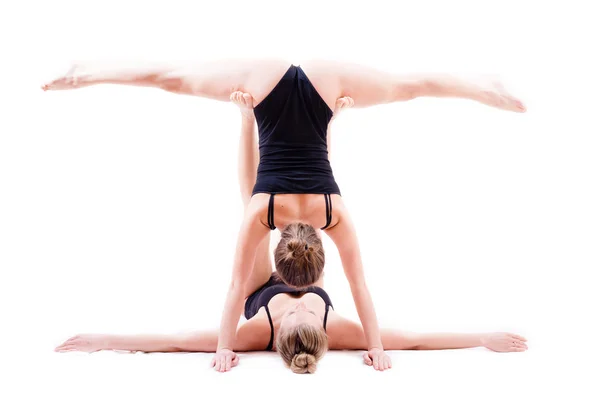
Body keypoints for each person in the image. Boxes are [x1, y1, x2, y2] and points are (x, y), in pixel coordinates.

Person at [43, 58, 526, 372]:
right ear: (321, 324)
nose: (298, 300)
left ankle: (85, 74)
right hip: (306, 93)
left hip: (272, 90)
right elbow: (412, 336)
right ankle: (487, 85)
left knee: (177, 81)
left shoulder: (260, 328)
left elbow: (182, 335)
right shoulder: (337, 330)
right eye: (307, 305)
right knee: (408, 85)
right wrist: (391, 345)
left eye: (293, 308)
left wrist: (215, 347)